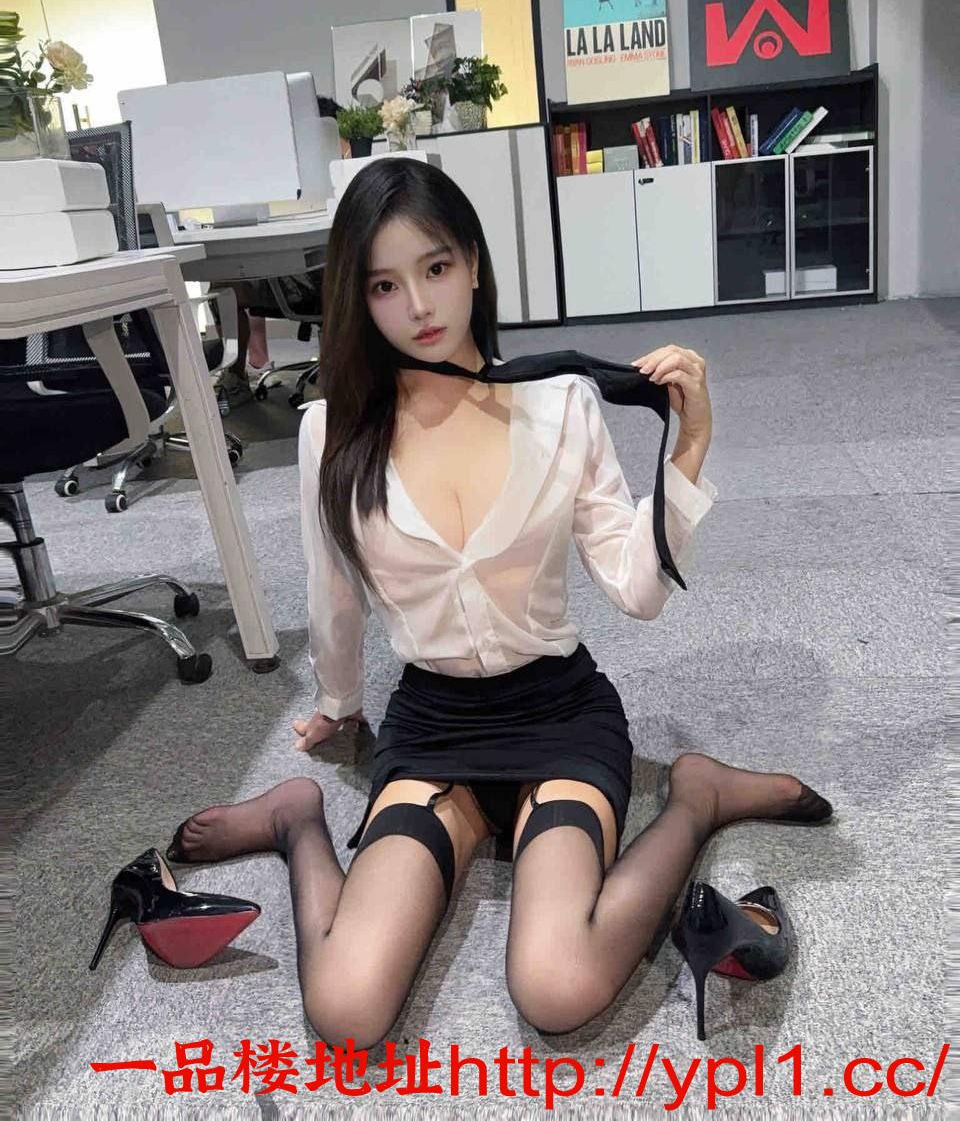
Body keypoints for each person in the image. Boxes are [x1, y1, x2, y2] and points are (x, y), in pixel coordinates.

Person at [165, 158, 832, 1049]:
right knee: (348, 1008)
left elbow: (637, 590)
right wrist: (339, 702)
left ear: (474, 264)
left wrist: (690, 448)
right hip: (432, 726)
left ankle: (696, 799)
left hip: (557, 713)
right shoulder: (333, 429)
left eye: (436, 268)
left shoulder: (560, 404)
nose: (419, 306)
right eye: (385, 286)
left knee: (558, 987)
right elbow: (334, 591)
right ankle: (297, 819)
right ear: (358, 299)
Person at [213, 96, 351, 410]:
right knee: (222, 285)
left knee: (339, 278)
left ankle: (340, 381)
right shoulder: (276, 171)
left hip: (325, 279)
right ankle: (235, 376)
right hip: (279, 278)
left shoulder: (345, 167)